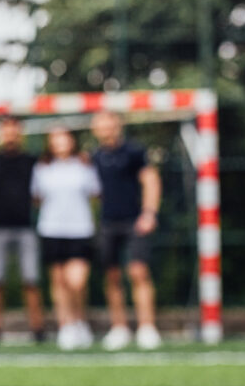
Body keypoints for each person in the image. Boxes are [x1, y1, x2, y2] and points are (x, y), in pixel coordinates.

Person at [90, 111, 163, 351]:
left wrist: (149, 213)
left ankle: (147, 327)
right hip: (108, 222)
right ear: (95, 130)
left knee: (138, 272)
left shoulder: (134, 152)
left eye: (109, 125)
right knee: (112, 276)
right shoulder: (95, 157)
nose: (106, 129)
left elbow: (151, 180)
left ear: (118, 126)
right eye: (101, 125)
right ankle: (119, 327)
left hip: (134, 221)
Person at [31, 126, 101, 351]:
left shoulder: (84, 166)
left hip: (80, 229)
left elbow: (96, 194)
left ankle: (80, 321)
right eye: (55, 139)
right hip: (51, 229)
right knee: (59, 282)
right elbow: (37, 197)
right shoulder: (42, 169)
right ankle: (66, 326)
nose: (60, 144)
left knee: (77, 282)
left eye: (64, 139)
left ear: (72, 141)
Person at [0, 116, 45, 344]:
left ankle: (38, 328)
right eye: (5, 131)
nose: (9, 135)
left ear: (20, 134)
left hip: (25, 228)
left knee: (31, 279)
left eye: (13, 131)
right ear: (0, 134)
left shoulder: (31, 160)